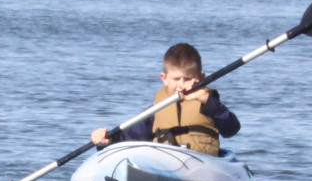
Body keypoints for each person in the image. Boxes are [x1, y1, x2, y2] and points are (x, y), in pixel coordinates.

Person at [91, 42, 240, 156]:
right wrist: (107, 139)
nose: (181, 84)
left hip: (201, 166)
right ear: (164, 78)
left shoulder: (210, 103)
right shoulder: (158, 108)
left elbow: (231, 129)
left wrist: (206, 100)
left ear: (200, 78)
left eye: (188, 78)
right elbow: (129, 137)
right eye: (176, 79)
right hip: (165, 164)